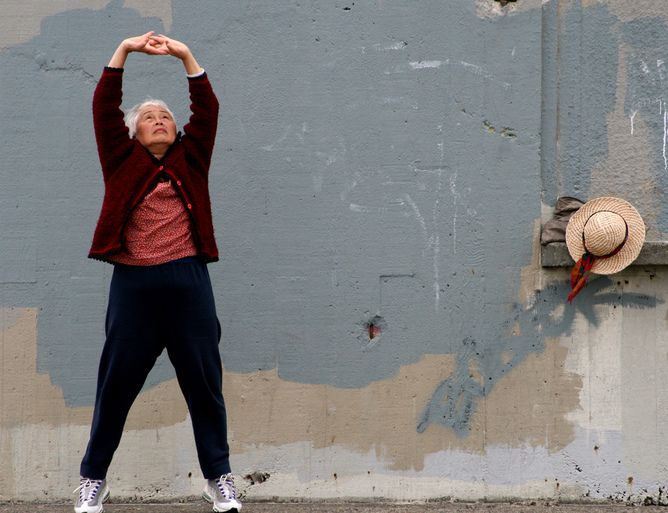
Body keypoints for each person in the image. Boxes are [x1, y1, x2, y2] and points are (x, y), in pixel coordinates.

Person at [74, 32, 241, 513]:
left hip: (189, 285)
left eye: (166, 116)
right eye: (149, 118)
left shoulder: (193, 158)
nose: (160, 121)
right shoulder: (120, 160)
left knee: (205, 387)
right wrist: (124, 50)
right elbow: (104, 107)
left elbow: (206, 110)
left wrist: (186, 56)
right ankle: (93, 481)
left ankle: (219, 480)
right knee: (115, 387)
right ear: (134, 134)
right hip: (134, 288)